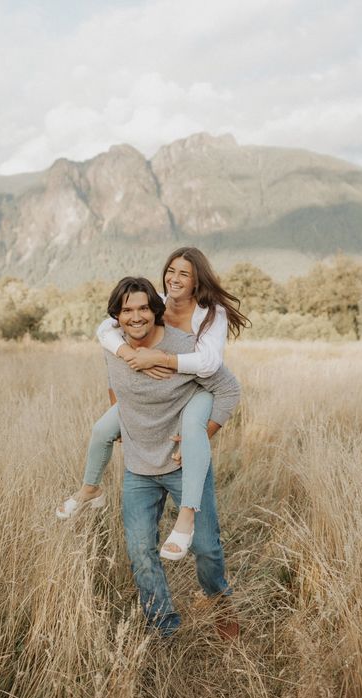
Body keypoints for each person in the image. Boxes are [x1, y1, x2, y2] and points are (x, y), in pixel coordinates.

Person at [56, 247, 248, 560]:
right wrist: (127, 354)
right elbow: (106, 328)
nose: (174, 278)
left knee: (192, 428)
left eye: (184, 273)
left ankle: (187, 517)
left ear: (197, 280)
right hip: (153, 396)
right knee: (102, 429)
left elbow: (211, 363)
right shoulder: (153, 303)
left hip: (195, 387)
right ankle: (91, 489)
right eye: (171, 271)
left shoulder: (210, 313)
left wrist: (162, 359)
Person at [101, 276, 241, 637]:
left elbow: (228, 388)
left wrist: (201, 438)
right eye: (127, 310)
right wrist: (123, 429)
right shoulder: (113, 347)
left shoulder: (183, 347)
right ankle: (164, 627)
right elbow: (114, 388)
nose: (136, 317)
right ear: (117, 316)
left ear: (156, 310)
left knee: (207, 547)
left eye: (143, 308)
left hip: (183, 465)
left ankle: (219, 602)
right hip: (138, 469)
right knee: (140, 552)